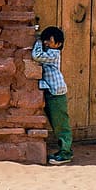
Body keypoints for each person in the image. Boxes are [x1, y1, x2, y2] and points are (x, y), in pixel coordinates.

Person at [32, 26, 72, 165]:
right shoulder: (49, 51)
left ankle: (66, 153)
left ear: (59, 44)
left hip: (57, 93)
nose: (46, 43)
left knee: (61, 124)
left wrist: (36, 40)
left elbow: (36, 56)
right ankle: (62, 151)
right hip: (52, 92)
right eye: (45, 40)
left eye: (50, 40)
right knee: (56, 123)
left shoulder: (54, 54)